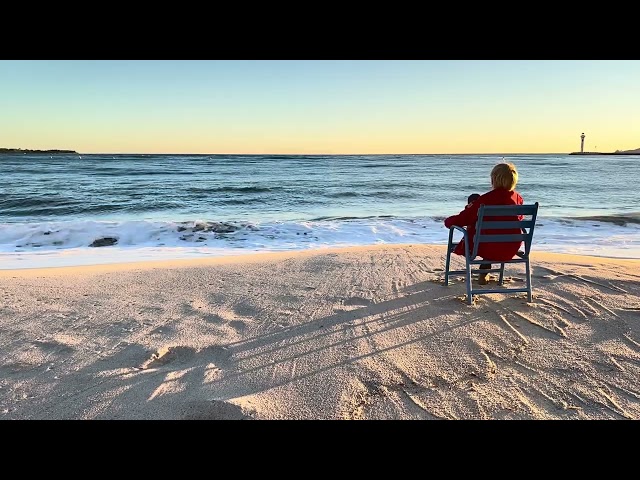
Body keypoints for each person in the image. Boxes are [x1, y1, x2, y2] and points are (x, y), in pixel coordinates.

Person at [444, 162, 524, 285]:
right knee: (490, 232)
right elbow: (519, 218)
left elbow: (463, 220)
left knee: (479, 230)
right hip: (511, 247)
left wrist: (449, 221)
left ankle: (484, 271)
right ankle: (484, 271)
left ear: (494, 179)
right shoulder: (518, 198)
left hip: (484, 247)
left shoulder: (485, 200)